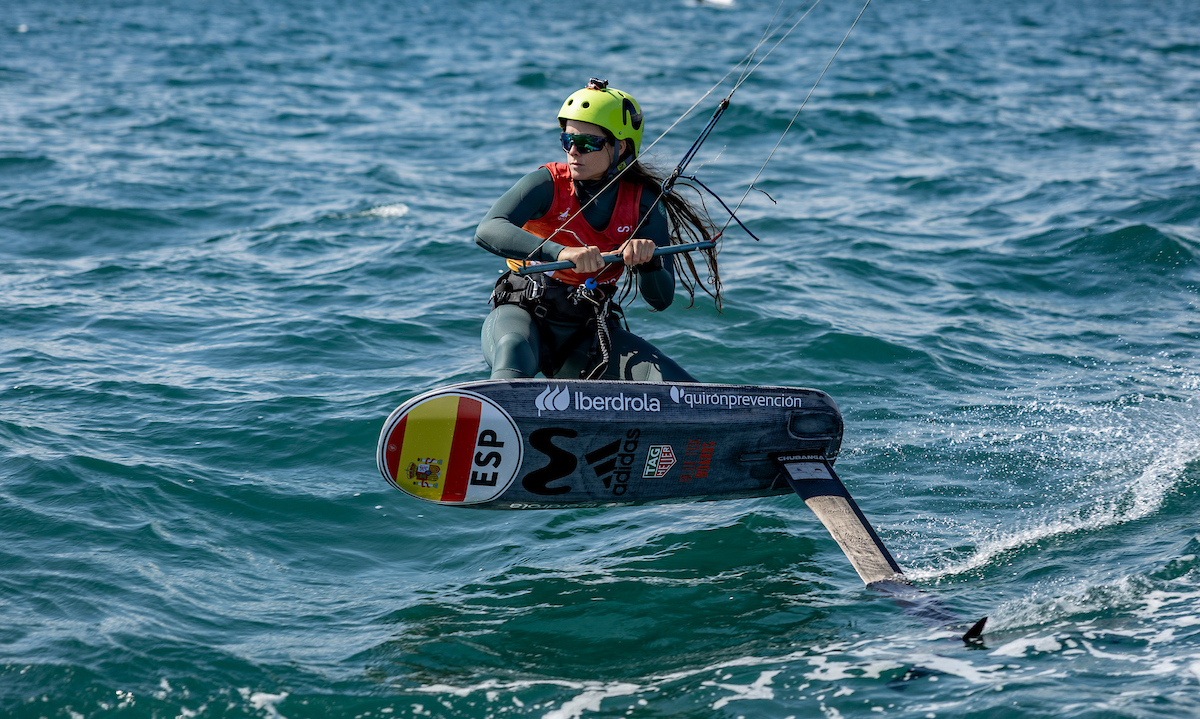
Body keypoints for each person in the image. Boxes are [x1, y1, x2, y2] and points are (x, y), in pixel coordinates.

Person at [476, 78, 721, 382]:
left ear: (621, 147)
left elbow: (660, 299)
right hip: (523, 317)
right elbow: (488, 228)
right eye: (567, 140)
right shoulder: (547, 184)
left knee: (669, 379)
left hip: (588, 331)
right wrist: (561, 252)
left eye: (587, 143)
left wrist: (648, 263)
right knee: (512, 350)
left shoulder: (644, 203)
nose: (573, 151)